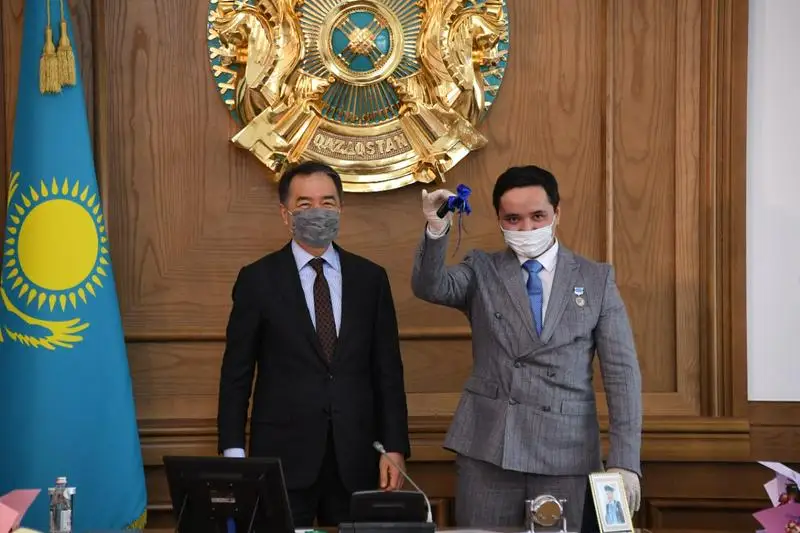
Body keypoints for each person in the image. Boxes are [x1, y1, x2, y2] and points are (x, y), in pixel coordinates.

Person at [411, 165, 642, 528]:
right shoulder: (482, 269)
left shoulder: (596, 279)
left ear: (557, 213)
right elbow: (432, 286)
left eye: (538, 216)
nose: (527, 229)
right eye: (513, 219)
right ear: (500, 221)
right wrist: (437, 228)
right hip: (489, 450)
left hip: (566, 452)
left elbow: (622, 375)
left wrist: (625, 461)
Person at [217, 161, 411, 527]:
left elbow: (388, 372)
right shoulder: (257, 279)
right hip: (282, 460)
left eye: (327, 202)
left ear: (340, 209)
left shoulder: (370, 279)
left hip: (357, 458)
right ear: (285, 214)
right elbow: (236, 374)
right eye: (305, 204)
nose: (317, 212)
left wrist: (395, 447)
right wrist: (233, 453)